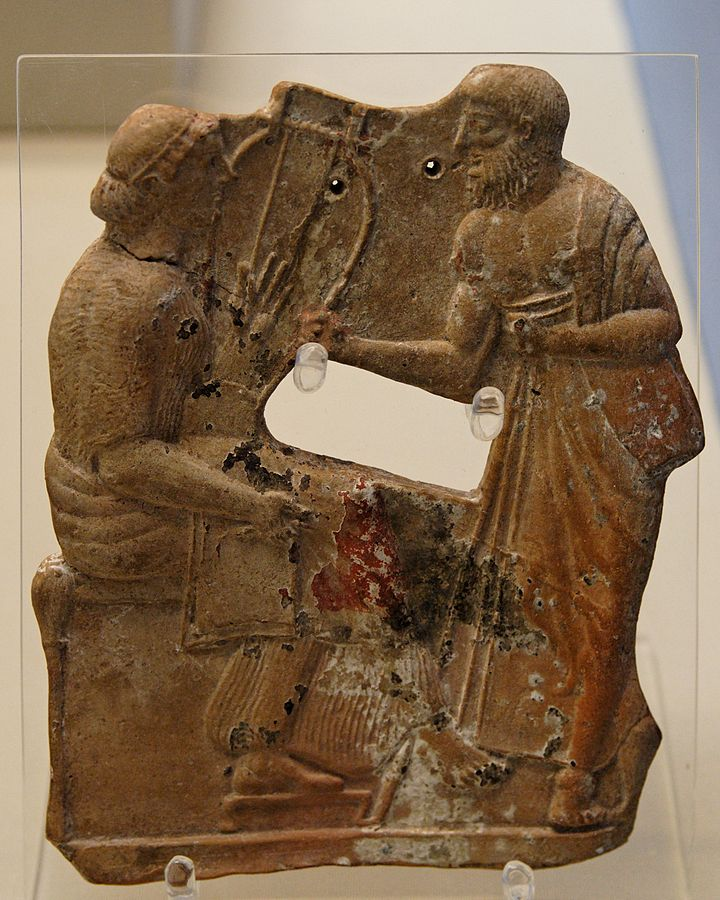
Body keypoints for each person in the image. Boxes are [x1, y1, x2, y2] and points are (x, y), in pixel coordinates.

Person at [302, 64, 703, 827]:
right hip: (536, 436)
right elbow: (459, 364)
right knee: (544, 602)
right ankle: (616, 731)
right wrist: (350, 348)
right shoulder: (480, 233)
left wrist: (569, 340)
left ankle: (578, 778)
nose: (460, 148)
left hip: (614, 430)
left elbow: (662, 322)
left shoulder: (597, 214)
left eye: (478, 132)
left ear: (528, 136)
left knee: (604, 604)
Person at [45, 104, 301, 593]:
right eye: (208, 165)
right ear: (160, 188)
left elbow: (182, 402)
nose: (226, 176)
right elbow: (122, 461)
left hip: (112, 493)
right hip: (118, 521)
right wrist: (251, 506)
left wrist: (247, 343)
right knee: (338, 523)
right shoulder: (140, 296)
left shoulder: (121, 268)